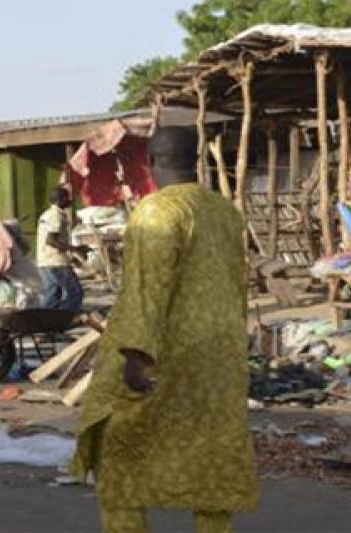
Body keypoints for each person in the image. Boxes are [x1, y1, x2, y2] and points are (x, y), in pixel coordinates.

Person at [69, 126, 259, 533]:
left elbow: (146, 288)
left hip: (165, 353)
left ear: (149, 163)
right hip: (220, 355)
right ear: (196, 161)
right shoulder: (225, 212)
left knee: (116, 455)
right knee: (211, 454)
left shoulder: (156, 211)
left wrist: (135, 355)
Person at [37, 186, 88, 311]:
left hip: (44, 261)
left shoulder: (46, 214)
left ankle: (46, 321)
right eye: (67, 198)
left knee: (52, 295)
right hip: (56, 262)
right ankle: (68, 318)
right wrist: (75, 250)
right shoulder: (56, 216)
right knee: (75, 292)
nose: (70, 201)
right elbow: (51, 240)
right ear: (61, 199)